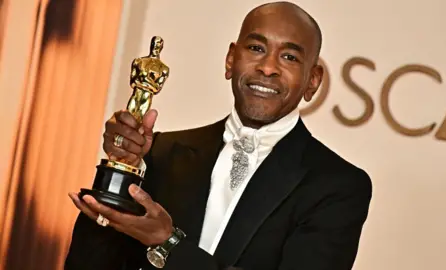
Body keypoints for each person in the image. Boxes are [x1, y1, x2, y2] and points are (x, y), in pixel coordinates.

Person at [64, 1, 372, 269]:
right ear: (230, 60)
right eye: (256, 48)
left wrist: (167, 242)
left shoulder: (338, 186)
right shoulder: (160, 153)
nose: (268, 68)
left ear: (313, 81)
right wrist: (122, 172)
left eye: (289, 57)